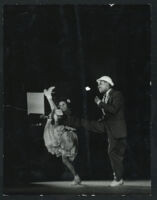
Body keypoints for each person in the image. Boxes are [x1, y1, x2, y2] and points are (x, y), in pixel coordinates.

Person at [64, 76, 127, 187]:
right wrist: (101, 118)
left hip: (117, 129)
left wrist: (99, 103)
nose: (99, 85)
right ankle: (71, 120)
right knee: (88, 124)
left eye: (101, 83)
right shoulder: (104, 97)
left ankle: (118, 178)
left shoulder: (117, 94)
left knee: (113, 153)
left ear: (108, 84)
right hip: (107, 126)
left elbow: (113, 110)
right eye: (98, 84)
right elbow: (108, 114)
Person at [43, 87, 81, 185]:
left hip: (69, 137)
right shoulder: (61, 114)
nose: (61, 106)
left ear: (67, 104)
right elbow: (55, 114)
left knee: (66, 159)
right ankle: (76, 177)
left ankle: (76, 176)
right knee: (65, 159)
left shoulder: (69, 112)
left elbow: (56, 111)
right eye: (60, 105)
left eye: (63, 104)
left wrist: (49, 98)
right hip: (64, 136)